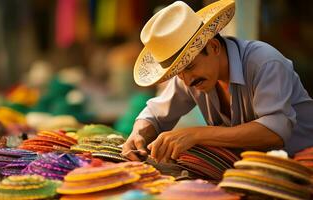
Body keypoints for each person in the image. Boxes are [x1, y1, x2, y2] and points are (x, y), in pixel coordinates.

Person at [122, 0, 313, 163]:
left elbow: (275, 132)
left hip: (302, 165)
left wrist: (196, 134)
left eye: (189, 67)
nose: (186, 81)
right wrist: (138, 134)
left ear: (213, 47)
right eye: (178, 74)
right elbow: (154, 114)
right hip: (251, 171)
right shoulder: (191, 76)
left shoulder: (265, 62)